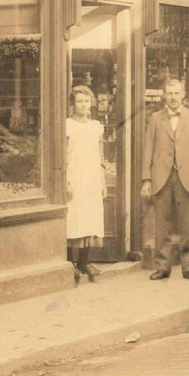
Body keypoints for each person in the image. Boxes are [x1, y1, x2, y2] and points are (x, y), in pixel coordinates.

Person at [141, 79, 189, 282]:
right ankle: (162, 267)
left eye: (176, 93)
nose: (173, 97)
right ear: (164, 96)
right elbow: (148, 150)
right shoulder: (155, 118)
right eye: (169, 94)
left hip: (186, 178)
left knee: (188, 225)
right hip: (162, 178)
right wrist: (146, 179)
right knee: (162, 226)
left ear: (183, 95)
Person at [66, 85, 107, 283]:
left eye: (86, 101)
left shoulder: (96, 126)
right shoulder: (68, 125)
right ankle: (69, 263)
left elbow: (99, 156)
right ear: (73, 104)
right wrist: (66, 181)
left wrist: (102, 181)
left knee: (89, 218)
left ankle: (84, 261)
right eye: (79, 101)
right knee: (73, 218)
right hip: (75, 177)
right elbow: (64, 156)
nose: (83, 105)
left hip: (91, 179)